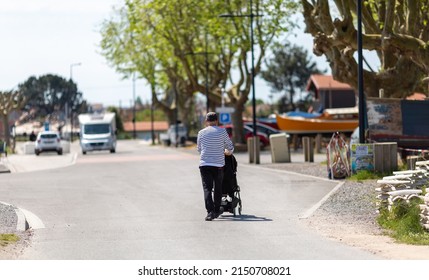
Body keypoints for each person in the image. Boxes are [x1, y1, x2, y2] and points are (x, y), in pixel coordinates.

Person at [197, 112, 234, 221]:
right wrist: (227, 152)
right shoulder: (222, 131)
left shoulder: (201, 133)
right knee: (218, 187)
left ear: (206, 121)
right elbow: (230, 147)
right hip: (218, 165)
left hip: (204, 164)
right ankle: (217, 210)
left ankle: (210, 212)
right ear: (217, 121)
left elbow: (199, 149)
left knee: (207, 188)